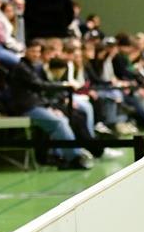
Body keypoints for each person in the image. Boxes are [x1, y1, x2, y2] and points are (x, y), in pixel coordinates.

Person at [8, 39, 93, 169]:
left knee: (62, 119)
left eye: (38, 52)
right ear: (26, 51)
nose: (36, 54)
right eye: (33, 51)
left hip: (37, 105)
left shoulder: (32, 66)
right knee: (58, 123)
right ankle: (74, 158)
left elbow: (39, 92)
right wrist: (63, 85)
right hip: (26, 108)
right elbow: (39, 86)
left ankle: (61, 156)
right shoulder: (21, 67)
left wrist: (50, 107)